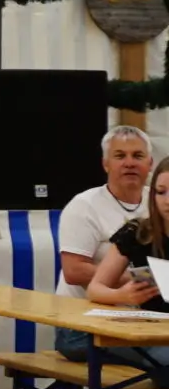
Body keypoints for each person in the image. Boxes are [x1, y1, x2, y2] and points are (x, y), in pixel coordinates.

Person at [78, 155, 169, 382]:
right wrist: (122, 295)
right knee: (73, 339)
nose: (167, 200)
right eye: (160, 192)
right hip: (150, 331)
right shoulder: (138, 232)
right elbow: (96, 288)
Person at [58, 126, 154, 301]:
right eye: (120, 156)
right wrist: (146, 281)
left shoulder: (158, 200)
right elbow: (73, 271)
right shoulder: (84, 205)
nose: (129, 163)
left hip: (137, 311)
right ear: (105, 164)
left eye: (138, 156)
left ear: (150, 164)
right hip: (82, 311)